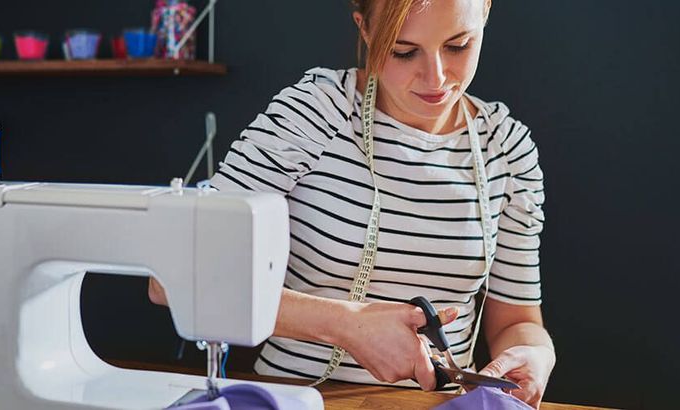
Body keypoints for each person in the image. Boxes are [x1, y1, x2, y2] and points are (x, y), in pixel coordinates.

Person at [150, 0, 555, 407]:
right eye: (403, 50)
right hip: (297, 400)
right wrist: (344, 325)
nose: (436, 77)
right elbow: (172, 277)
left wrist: (536, 355)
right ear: (364, 29)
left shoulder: (506, 148)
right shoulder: (315, 112)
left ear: (485, 12)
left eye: (458, 45)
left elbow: (517, 321)